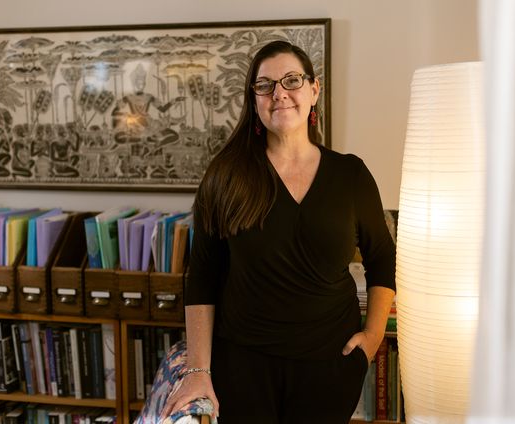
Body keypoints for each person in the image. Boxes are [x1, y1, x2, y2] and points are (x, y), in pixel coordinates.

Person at [163, 40, 396, 423]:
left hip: (330, 367)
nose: (279, 94)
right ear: (253, 99)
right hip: (243, 368)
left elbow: (382, 257)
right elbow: (203, 277)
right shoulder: (226, 176)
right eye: (265, 85)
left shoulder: (350, 175)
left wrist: (371, 339)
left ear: (314, 89)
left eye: (291, 80)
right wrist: (198, 370)